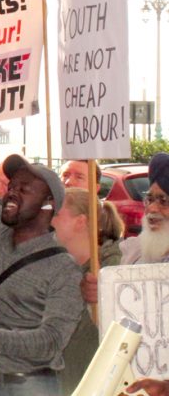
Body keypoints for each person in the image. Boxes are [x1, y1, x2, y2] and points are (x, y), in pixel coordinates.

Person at [0, 80, 83, 395]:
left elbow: (51, 342)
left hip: (29, 386)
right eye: (12, 185)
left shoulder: (63, 268)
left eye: (24, 189)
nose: (11, 192)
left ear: (48, 205)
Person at [79, 152, 169, 395]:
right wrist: (100, 298)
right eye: (150, 198)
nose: (152, 208)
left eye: (164, 201)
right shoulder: (134, 254)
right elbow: (114, 327)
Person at [51, 187, 123, 394]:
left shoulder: (110, 271)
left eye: (57, 214)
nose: (50, 220)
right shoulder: (58, 266)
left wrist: (100, 300)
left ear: (80, 221)